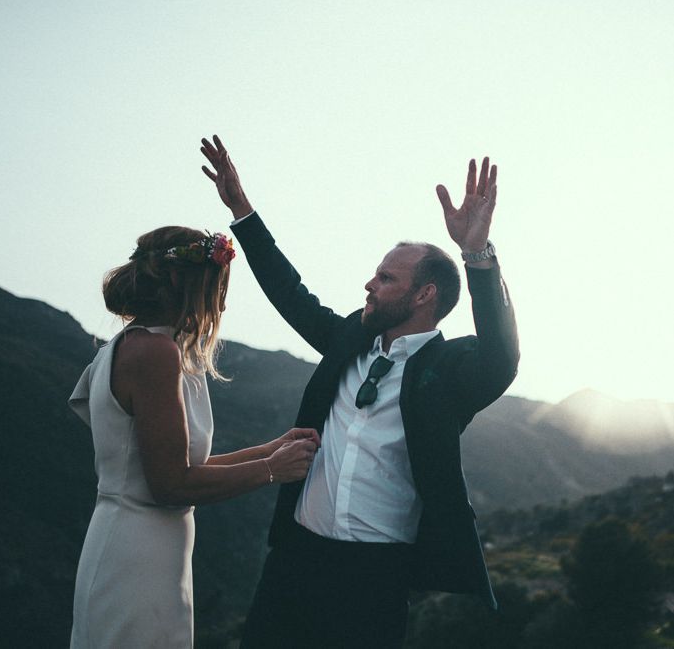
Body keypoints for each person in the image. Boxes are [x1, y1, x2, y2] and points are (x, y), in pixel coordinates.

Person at [201, 135, 520, 649]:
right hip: (294, 560)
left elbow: (502, 357)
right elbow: (291, 294)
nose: (368, 285)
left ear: (424, 294)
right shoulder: (349, 340)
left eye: (385, 278)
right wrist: (242, 210)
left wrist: (476, 254)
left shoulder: (451, 372)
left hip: (375, 577)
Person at [67, 224, 320, 648]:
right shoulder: (154, 353)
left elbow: (173, 466)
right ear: (176, 279)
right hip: (137, 556)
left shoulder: (127, 346)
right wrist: (270, 471)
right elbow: (168, 485)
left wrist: (269, 449)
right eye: (215, 285)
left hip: (144, 548)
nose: (220, 299)